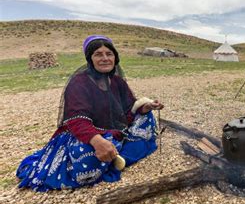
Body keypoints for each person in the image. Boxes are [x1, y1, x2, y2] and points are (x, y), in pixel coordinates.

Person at [16, 35, 164, 191]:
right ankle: (114, 153)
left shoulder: (117, 81)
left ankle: (114, 154)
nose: (105, 58)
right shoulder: (79, 83)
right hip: (85, 134)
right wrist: (98, 141)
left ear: (115, 57)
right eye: (98, 54)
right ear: (90, 58)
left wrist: (146, 107)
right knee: (87, 160)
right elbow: (77, 121)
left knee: (146, 118)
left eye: (109, 54)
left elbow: (129, 107)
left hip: (114, 131)